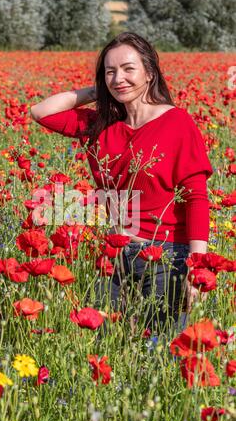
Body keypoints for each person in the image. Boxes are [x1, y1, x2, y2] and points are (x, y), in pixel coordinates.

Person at [31, 32, 213, 333]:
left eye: (129, 69)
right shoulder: (101, 124)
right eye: (110, 71)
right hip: (116, 255)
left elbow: (196, 199)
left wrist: (199, 266)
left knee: (156, 353)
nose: (119, 78)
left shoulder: (177, 122)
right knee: (103, 345)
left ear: (150, 72)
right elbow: (41, 112)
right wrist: (99, 91)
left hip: (166, 258)